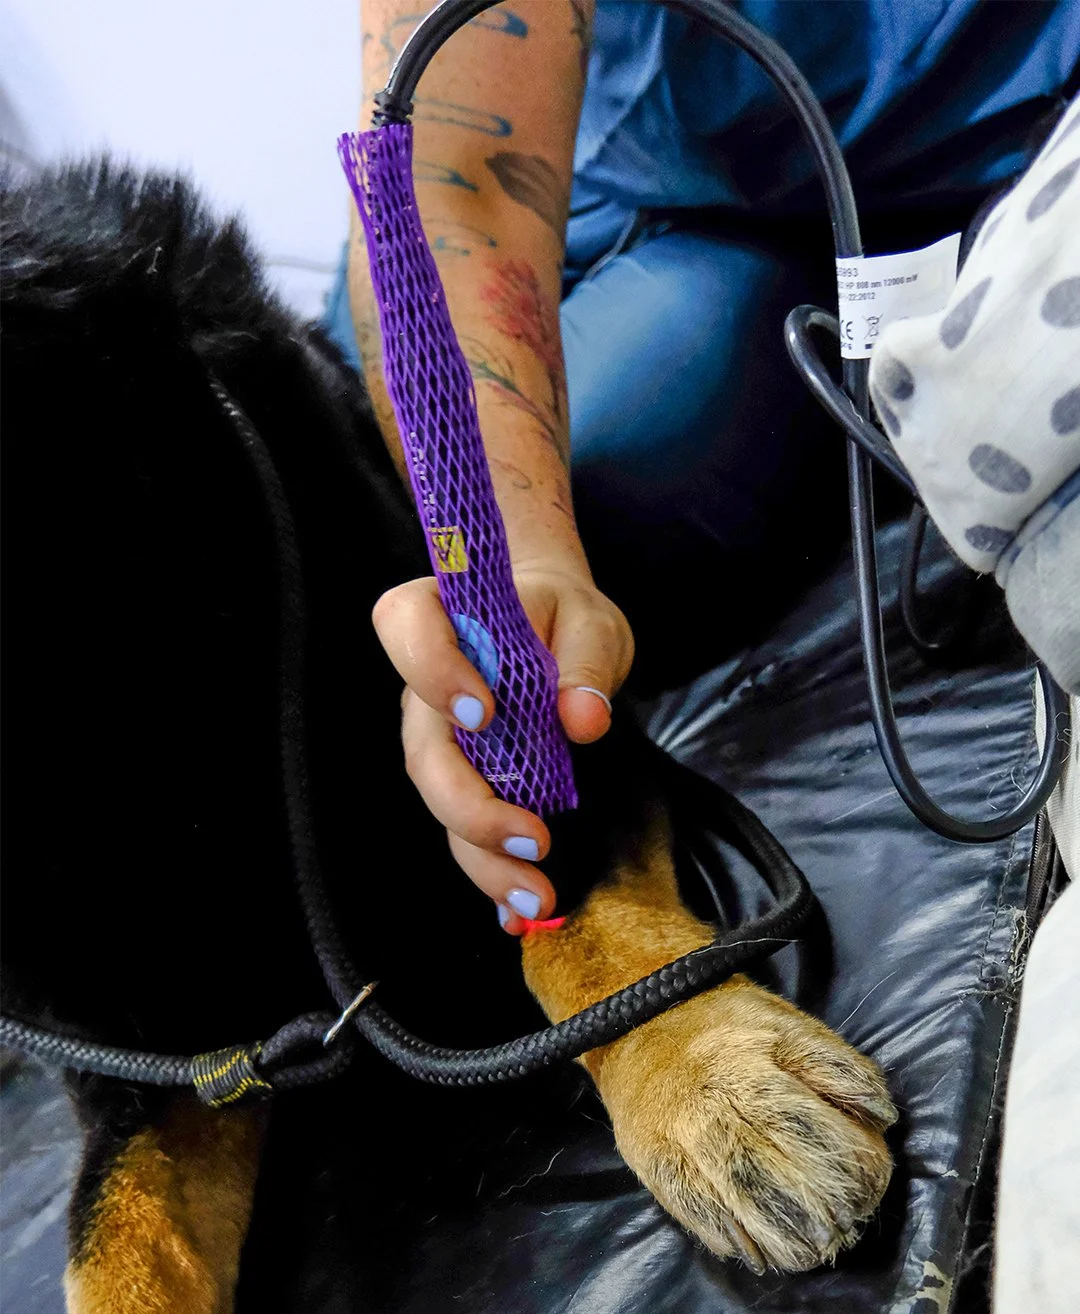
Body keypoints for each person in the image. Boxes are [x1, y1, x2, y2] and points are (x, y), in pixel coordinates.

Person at [325, 0, 1080, 929]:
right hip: (593, 216)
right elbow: (460, 182)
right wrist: (521, 560)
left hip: (999, 187)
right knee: (609, 492)